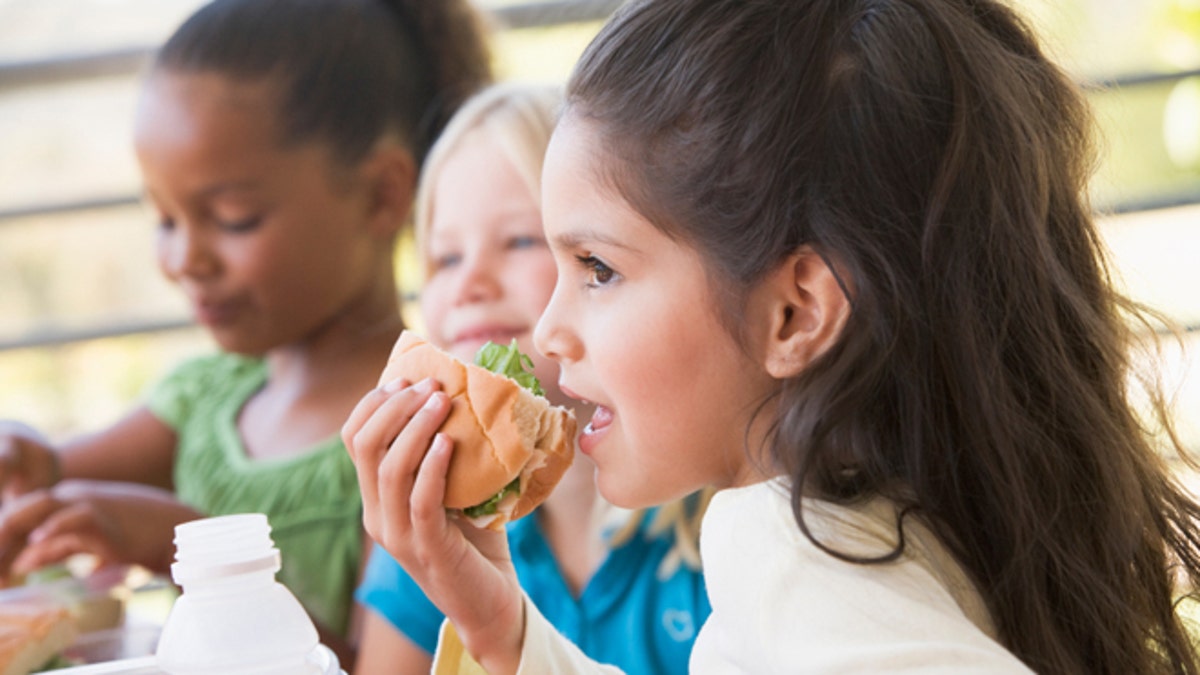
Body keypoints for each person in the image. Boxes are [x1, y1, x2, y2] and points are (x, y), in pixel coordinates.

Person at [343, 0, 1200, 673]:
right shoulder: (883, 511)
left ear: (795, 313)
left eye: (597, 267)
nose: (549, 328)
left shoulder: (782, 543)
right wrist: (502, 624)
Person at [0, 0, 491, 665]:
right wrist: (27, 460)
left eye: (232, 218)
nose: (183, 260)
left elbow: (370, 664)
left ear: (381, 195)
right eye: (166, 219)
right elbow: (48, 482)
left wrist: (194, 549)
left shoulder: (417, 431)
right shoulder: (201, 398)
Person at [352, 82, 711, 675]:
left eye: (519, 240)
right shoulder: (432, 521)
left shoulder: (726, 516)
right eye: (444, 258)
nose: (470, 283)